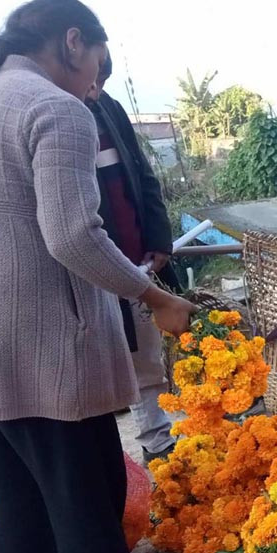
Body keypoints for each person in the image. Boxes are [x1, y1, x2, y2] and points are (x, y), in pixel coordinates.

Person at [0, 0, 196, 553]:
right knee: (80, 478)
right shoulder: (56, 108)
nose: (98, 75)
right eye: (97, 57)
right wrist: (154, 297)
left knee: (18, 488)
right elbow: (73, 235)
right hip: (46, 334)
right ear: (74, 41)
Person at [86, 53, 178, 465]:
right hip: (87, 267)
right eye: (91, 80)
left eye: (101, 81)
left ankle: (157, 444)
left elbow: (142, 175)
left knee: (146, 359)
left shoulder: (109, 109)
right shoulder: (53, 115)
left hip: (135, 261)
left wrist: (158, 240)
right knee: (94, 370)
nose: (95, 90)